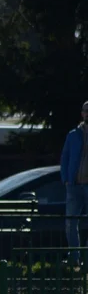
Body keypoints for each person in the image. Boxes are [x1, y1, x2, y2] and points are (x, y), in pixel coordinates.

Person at [60, 100, 88, 267]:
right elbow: (65, 158)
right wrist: (66, 180)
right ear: (82, 113)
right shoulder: (73, 135)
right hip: (74, 185)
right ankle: (74, 258)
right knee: (71, 222)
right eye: (86, 111)